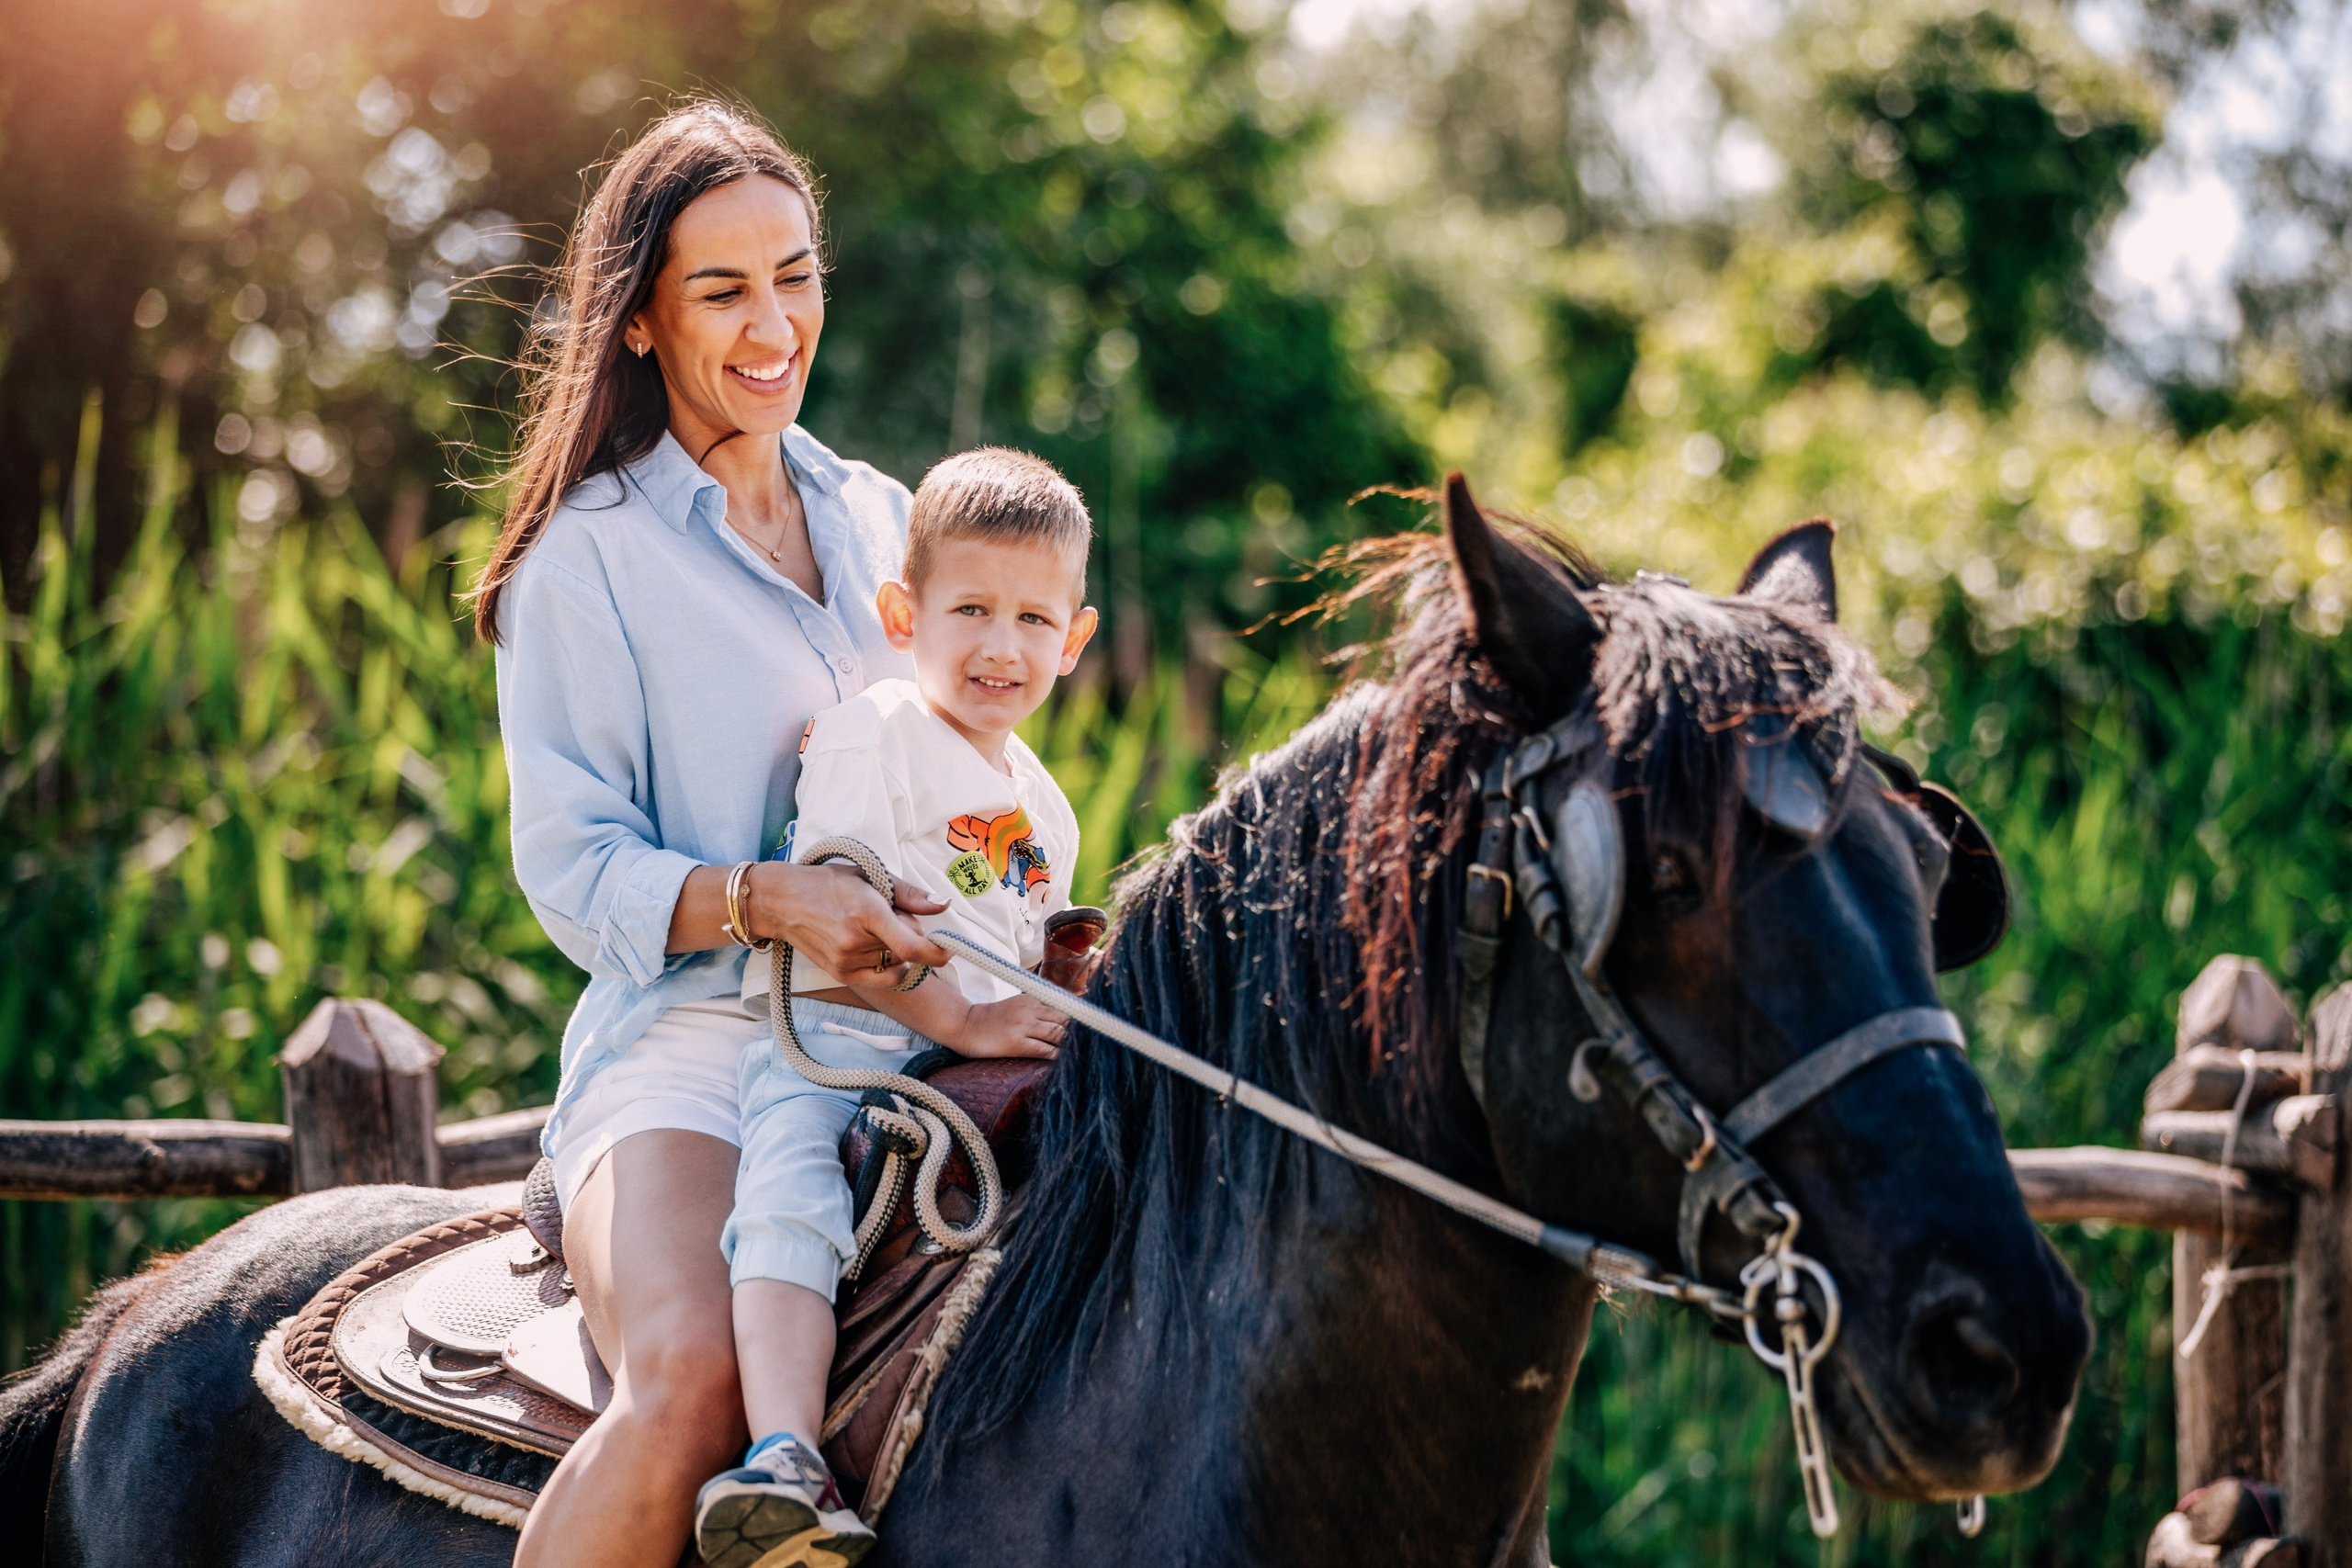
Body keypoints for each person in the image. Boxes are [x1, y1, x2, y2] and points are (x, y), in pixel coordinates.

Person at [477, 101, 955, 1568]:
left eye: (796, 275)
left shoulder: (886, 517)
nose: (774, 325)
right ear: (636, 320)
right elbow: (574, 872)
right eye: (722, 289)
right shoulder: (588, 564)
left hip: (902, 1023)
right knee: (693, 1386)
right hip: (686, 1050)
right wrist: (769, 900)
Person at [694, 448, 1098, 1568]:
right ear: (902, 612)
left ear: (1074, 639)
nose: (1000, 644)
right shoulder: (879, 732)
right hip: (837, 1041)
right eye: (968, 608)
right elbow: (852, 925)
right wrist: (964, 1023)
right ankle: (782, 1453)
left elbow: (1019, 952)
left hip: (965, 1076)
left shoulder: (1041, 803)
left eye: (1032, 617)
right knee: (792, 1198)